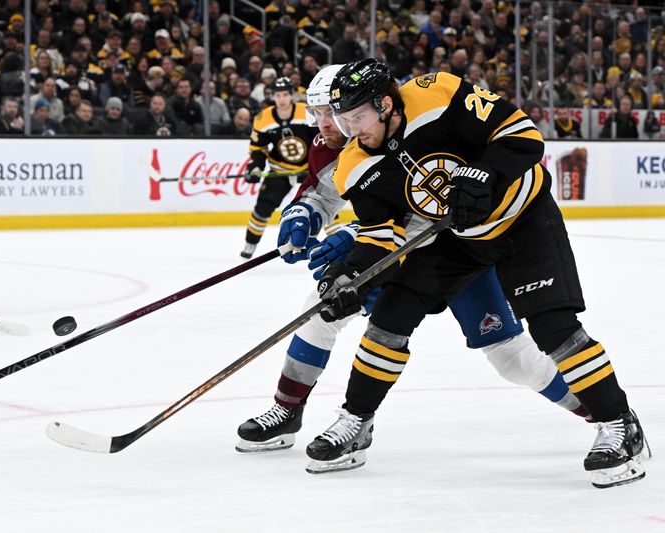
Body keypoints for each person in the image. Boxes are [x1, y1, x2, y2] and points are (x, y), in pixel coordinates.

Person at [304, 59, 647, 488]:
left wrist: (485, 172)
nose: (351, 130)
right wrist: (349, 275)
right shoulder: (355, 163)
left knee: (553, 326)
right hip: (454, 238)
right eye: (342, 120)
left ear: (386, 104)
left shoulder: (438, 93)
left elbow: (523, 136)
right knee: (388, 318)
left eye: (358, 117)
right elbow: (380, 235)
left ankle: (619, 424)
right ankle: (355, 422)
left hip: (522, 216)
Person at [236, 65, 588, 456]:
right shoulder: (330, 147)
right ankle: (292, 411)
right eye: (317, 112)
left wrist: (352, 235)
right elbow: (323, 196)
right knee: (323, 313)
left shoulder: (400, 128)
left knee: (509, 357)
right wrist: (303, 214)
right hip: (390, 255)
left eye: (330, 112)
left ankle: (595, 409)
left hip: (455, 250)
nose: (326, 122)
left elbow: (430, 203)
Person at [239, 77, 316, 259]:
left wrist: (318, 164)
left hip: (306, 170)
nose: (281, 99)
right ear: (272, 96)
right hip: (279, 170)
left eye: (285, 95)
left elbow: (319, 141)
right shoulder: (262, 118)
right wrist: (255, 166)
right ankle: (250, 244)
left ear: (291, 95)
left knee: (323, 205)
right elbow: (258, 149)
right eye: (277, 95)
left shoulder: (306, 112)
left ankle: (334, 244)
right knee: (262, 209)